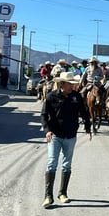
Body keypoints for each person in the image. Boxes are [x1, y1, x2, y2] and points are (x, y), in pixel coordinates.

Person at [40, 72, 90, 208]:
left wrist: (87, 124)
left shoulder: (76, 96)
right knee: (52, 163)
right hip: (55, 135)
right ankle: (48, 196)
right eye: (70, 83)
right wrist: (47, 130)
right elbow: (44, 115)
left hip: (70, 135)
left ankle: (62, 193)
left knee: (67, 164)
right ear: (62, 84)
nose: (73, 85)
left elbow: (84, 111)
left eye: (73, 83)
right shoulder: (51, 97)